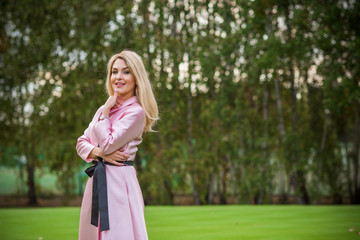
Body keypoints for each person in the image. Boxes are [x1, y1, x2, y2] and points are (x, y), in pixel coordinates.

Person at [76, 50, 158, 240]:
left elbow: (108, 143)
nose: (118, 77)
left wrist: (104, 116)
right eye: (114, 71)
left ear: (136, 78)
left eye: (126, 72)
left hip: (120, 184)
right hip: (97, 181)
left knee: (118, 234)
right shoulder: (104, 109)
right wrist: (99, 154)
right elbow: (81, 142)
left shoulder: (136, 113)